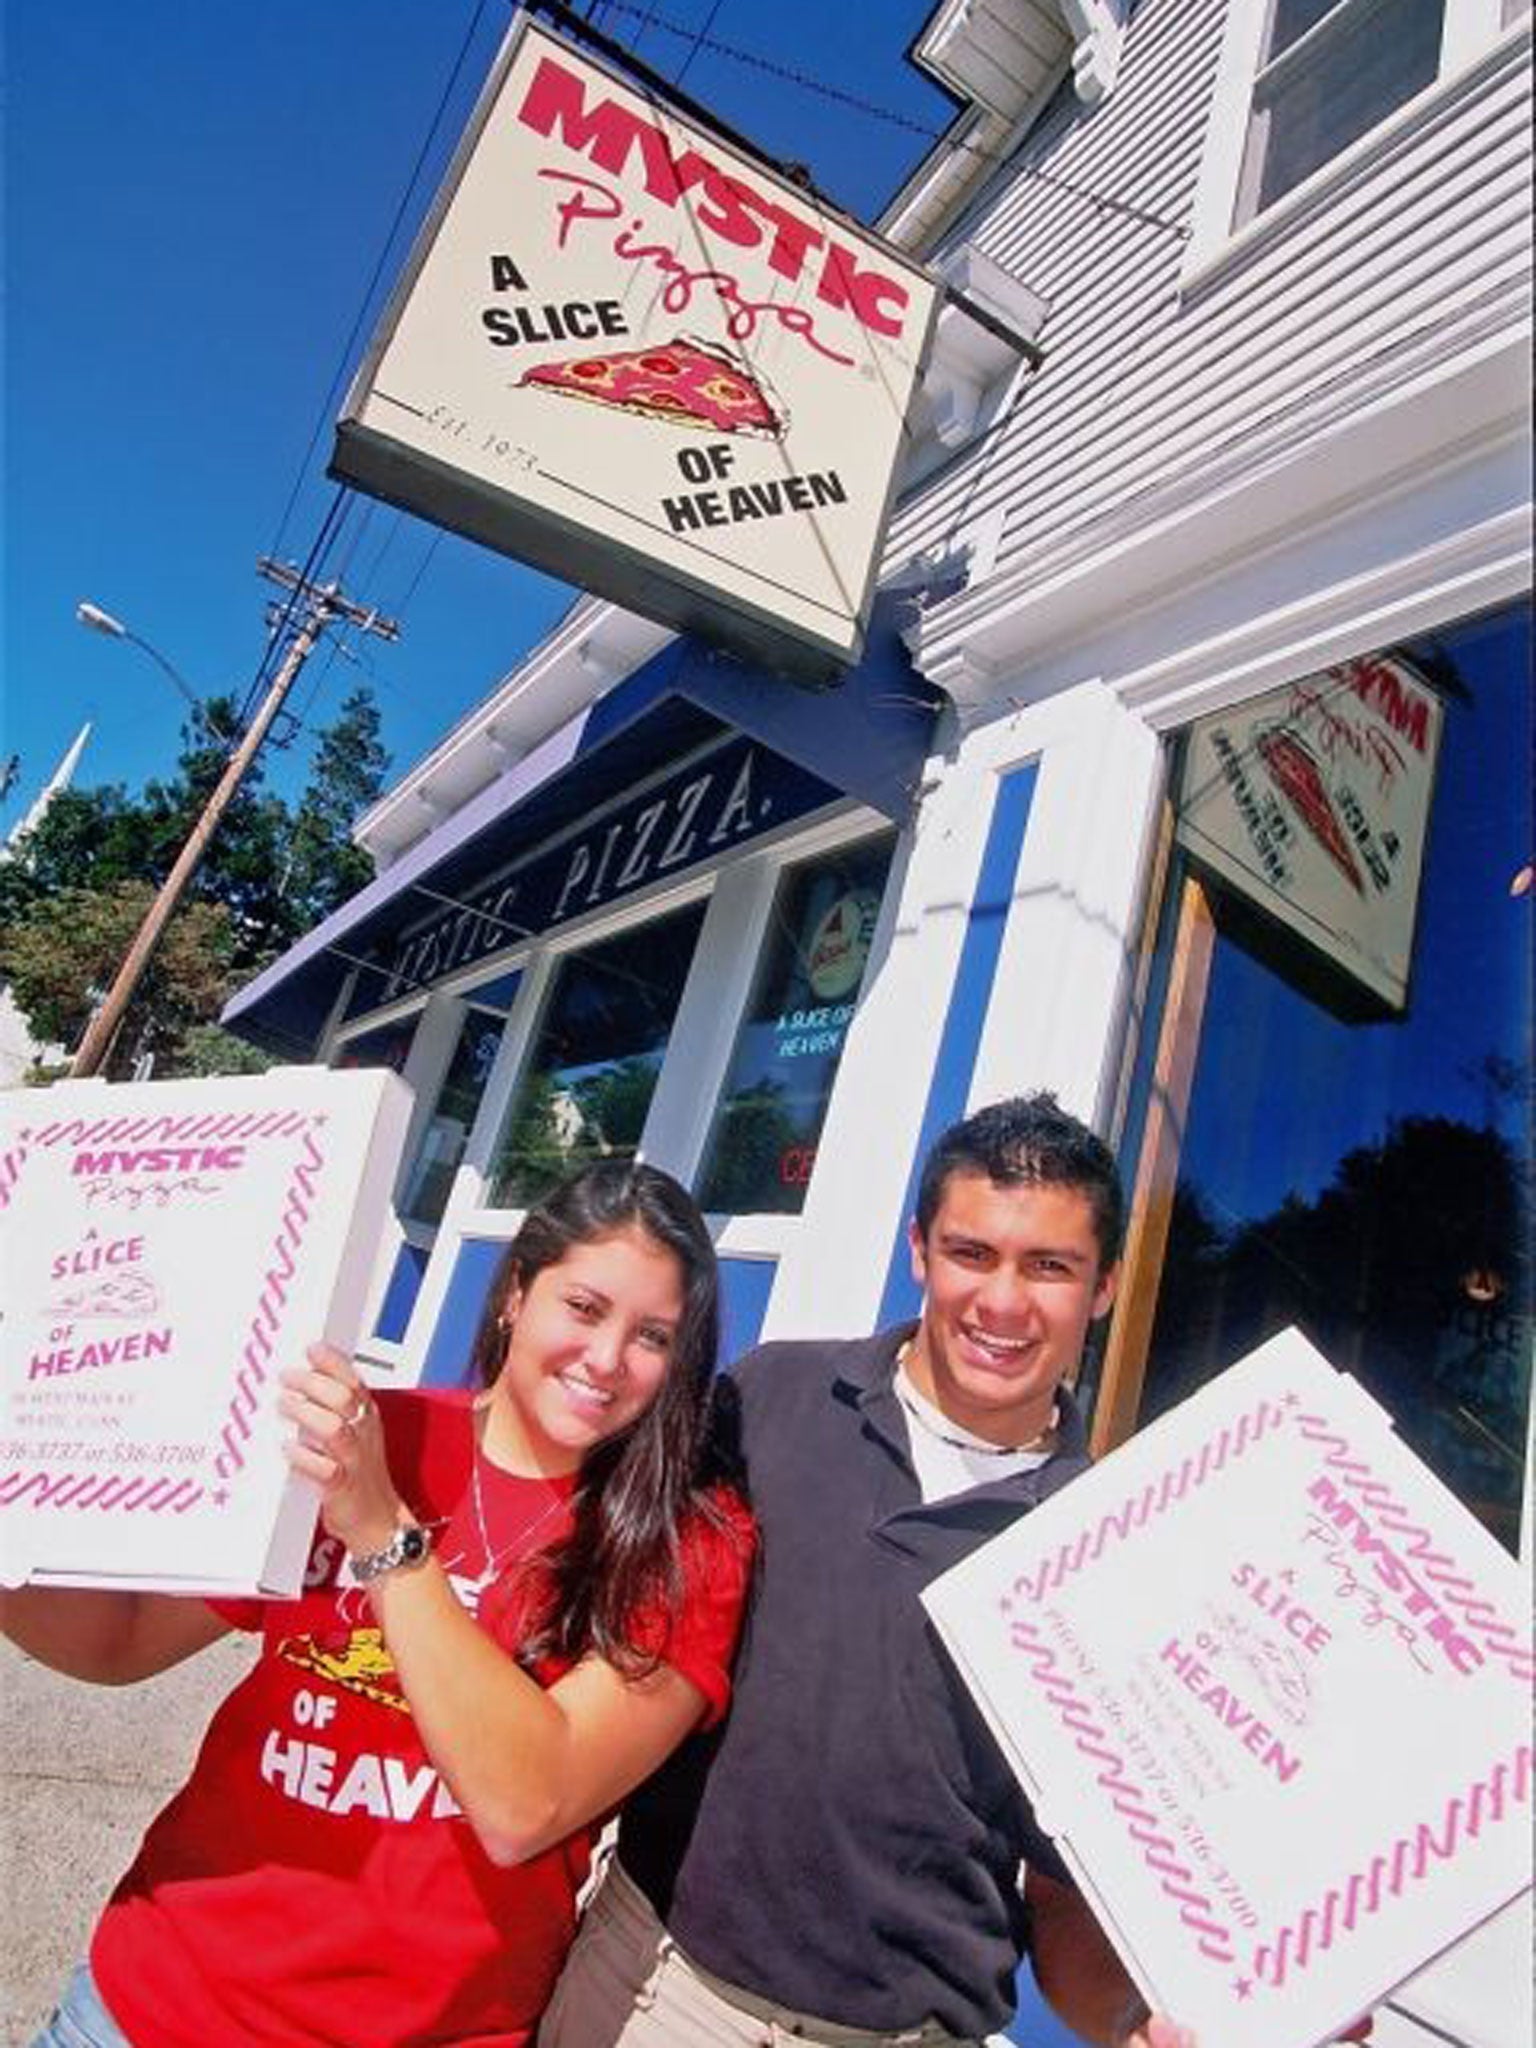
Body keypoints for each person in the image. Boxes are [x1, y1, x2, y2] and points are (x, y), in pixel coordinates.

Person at [2, 1158, 754, 2048]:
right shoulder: (376, 1434)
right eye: (584, 1308)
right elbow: (119, 1643)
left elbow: (526, 1807)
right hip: (155, 2000)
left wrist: (382, 1534)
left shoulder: (688, 1544)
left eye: (653, 1337)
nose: (606, 1359)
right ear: (516, 1292)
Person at [538, 1094, 1191, 2048]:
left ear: (1102, 1288)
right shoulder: (771, 1397)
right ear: (919, 1250)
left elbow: (1063, 1899)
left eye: (1049, 1267)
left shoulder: (1106, 1554)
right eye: (972, 1253)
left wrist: (1137, 2022)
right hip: (653, 1988)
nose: (1003, 1301)